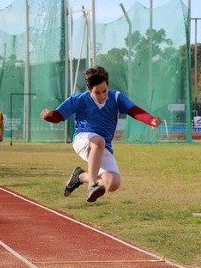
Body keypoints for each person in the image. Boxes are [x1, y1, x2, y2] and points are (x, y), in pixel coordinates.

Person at [40, 65, 161, 202]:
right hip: (82, 139)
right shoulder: (79, 99)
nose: (102, 96)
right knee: (98, 141)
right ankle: (92, 185)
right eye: (97, 93)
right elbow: (57, 116)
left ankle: (80, 176)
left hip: (103, 146)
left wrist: (150, 120)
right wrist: (48, 115)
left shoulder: (115, 97)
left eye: (105, 91)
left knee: (112, 183)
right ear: (89, 90)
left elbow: (133, 110)